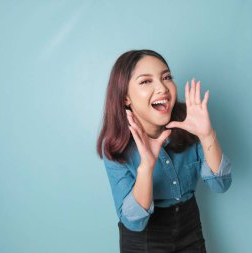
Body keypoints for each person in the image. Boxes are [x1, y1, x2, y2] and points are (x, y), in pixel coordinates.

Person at [96, 49, 232, 252]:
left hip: (189, 225)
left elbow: (221, 185)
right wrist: (147, 166)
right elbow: (134, 222)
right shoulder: (116, 146)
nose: (162, 88)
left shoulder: (190, 122)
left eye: (166, 77)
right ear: (126, 98)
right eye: (145, 81)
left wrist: (207, 135)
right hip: (145, 239)